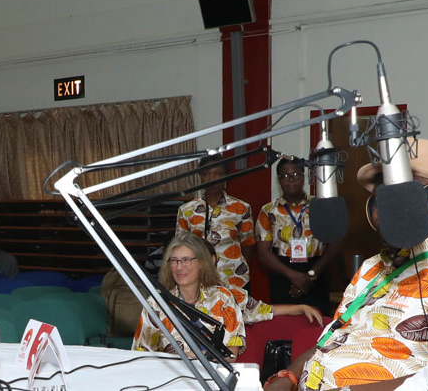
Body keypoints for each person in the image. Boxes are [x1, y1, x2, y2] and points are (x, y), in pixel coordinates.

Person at [264, 139, 428, 391]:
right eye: (378, 201)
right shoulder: (373, 267)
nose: (381, 213)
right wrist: (287, 377)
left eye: (395, 199)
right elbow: (336, 338)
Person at [133, 232, 322, 359]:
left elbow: (231, 353)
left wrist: (300, 307)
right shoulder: (157, 303)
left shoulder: (223, 299)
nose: (179, 267)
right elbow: (141, 352)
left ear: (202, 264)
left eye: (186, 260)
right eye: (174, 261)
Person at [255, 157, 339, 315]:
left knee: (318, 321)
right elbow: (263, 253)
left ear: (303, 177)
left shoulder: (320, 206)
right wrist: (293, 276)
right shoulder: (268, 211)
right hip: (282, 273)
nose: (291, 179)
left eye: (295, 174)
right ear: (279, 180)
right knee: (285, 323)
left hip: (316, 271)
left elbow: (334, 245)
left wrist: (311, 275)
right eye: (285, 175)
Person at [176, 154, 256, 288]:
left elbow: (248, 245)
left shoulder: (241, 208)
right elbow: (181, 247)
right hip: (198, 281)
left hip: (235, 281)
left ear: (226, 177)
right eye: (205, 174)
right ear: (200, 177)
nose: (211, 179)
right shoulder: (186, 210)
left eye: (217, 174)